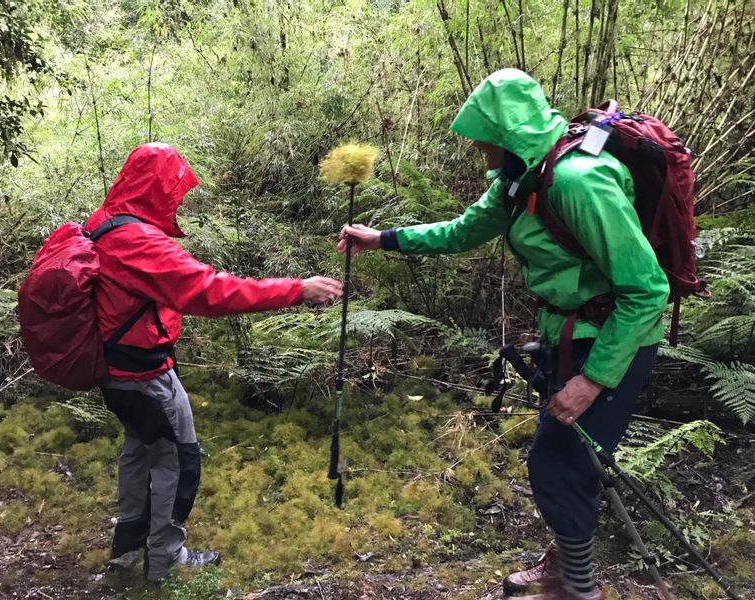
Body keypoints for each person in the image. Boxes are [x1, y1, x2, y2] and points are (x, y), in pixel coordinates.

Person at [337, 69, 669, 600]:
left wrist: (593, 379)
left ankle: (575, 588)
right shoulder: (521, 180)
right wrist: (384, 239)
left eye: (482, 134)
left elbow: (647, 290)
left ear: (507, 129)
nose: (477, 146)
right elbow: (463, 231)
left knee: (558, 462)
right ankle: (565, 566)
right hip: (566, 334)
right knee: (568, 456)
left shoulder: (580, 182)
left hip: (613, 340)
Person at [84, 142, 343, 582]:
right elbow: (211, 291)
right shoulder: (139, 242)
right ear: (158, 189)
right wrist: (297, 290)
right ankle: (164, 558)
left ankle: (126, 553)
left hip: (112, 371)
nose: (178, 199)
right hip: (145, 376)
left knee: (139, 452)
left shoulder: (104, 223)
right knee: (177, 459)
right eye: (174, 190)